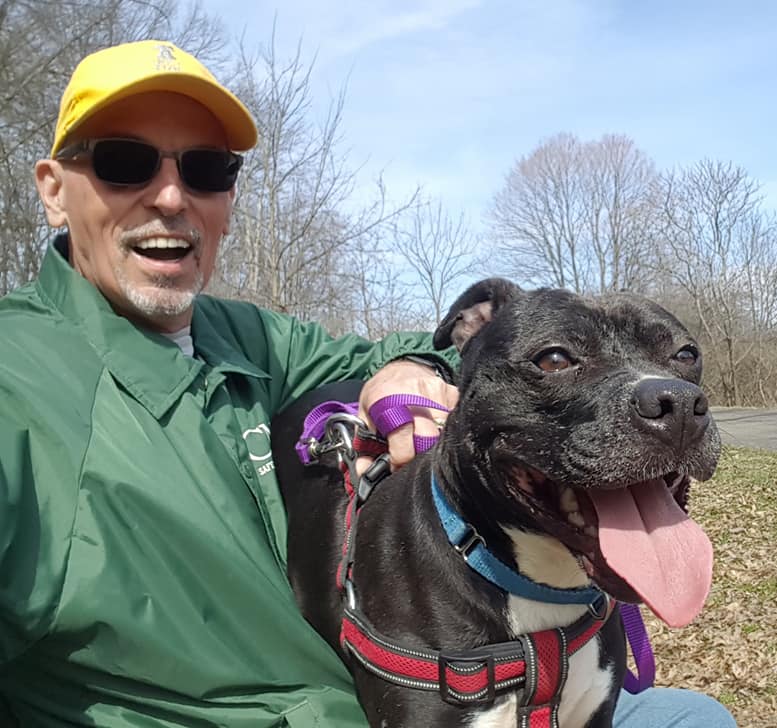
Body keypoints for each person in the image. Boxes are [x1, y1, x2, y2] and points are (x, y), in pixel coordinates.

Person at [0, 40, 735, 727]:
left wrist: (413, 369)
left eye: (205, 169)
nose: (169, 196)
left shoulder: (247, 339)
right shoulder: (18, 381)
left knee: (697, 716)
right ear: (53, 191)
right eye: (124, 162)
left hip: (383, 675)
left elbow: (420, 349)